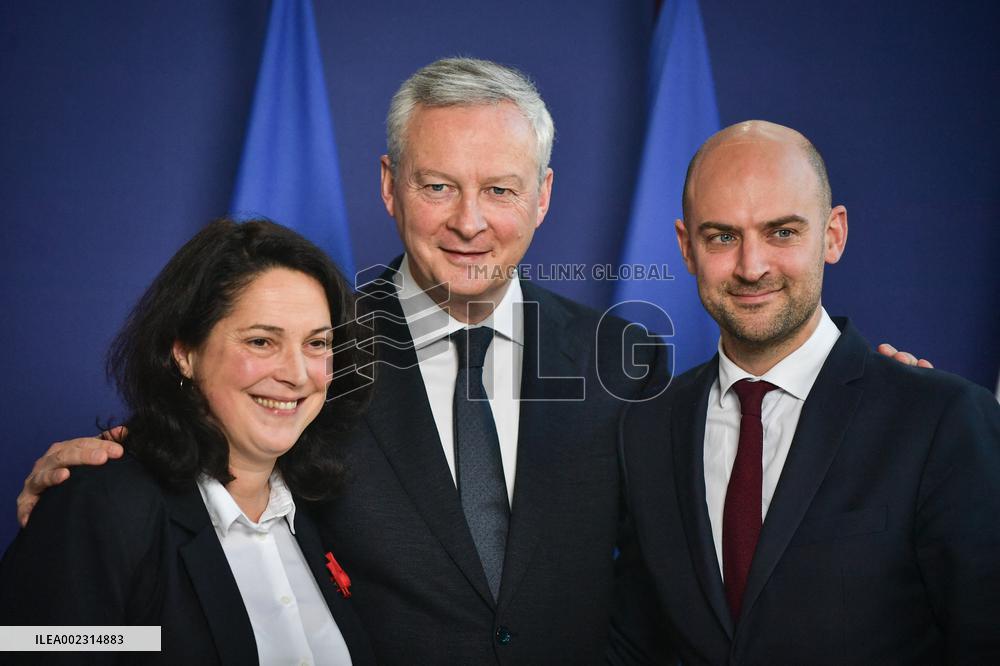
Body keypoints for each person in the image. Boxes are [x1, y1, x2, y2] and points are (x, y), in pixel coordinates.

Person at [13, 62, 931, 664]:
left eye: (499, 188)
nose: (469, 221)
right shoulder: (322, 353)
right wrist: (103, 483)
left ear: (543, 197)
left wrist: (868, 404)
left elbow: (703, 533)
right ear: (390, 187)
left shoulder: (627, 361)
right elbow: (211, 466)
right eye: (438, 186)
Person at [613, 120, 1000, 663]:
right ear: (686, 247)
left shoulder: (941, 420)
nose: (752, 267)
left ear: (833, 234)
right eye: (723, 237)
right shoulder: (648, 429)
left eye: (782, 233)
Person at [0, 219, 375, 665]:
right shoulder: (104, 503)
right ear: (184, 354)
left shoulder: (325, 511)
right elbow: (33, 643)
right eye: (261, 341)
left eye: (317, 344)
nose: (296, 374)